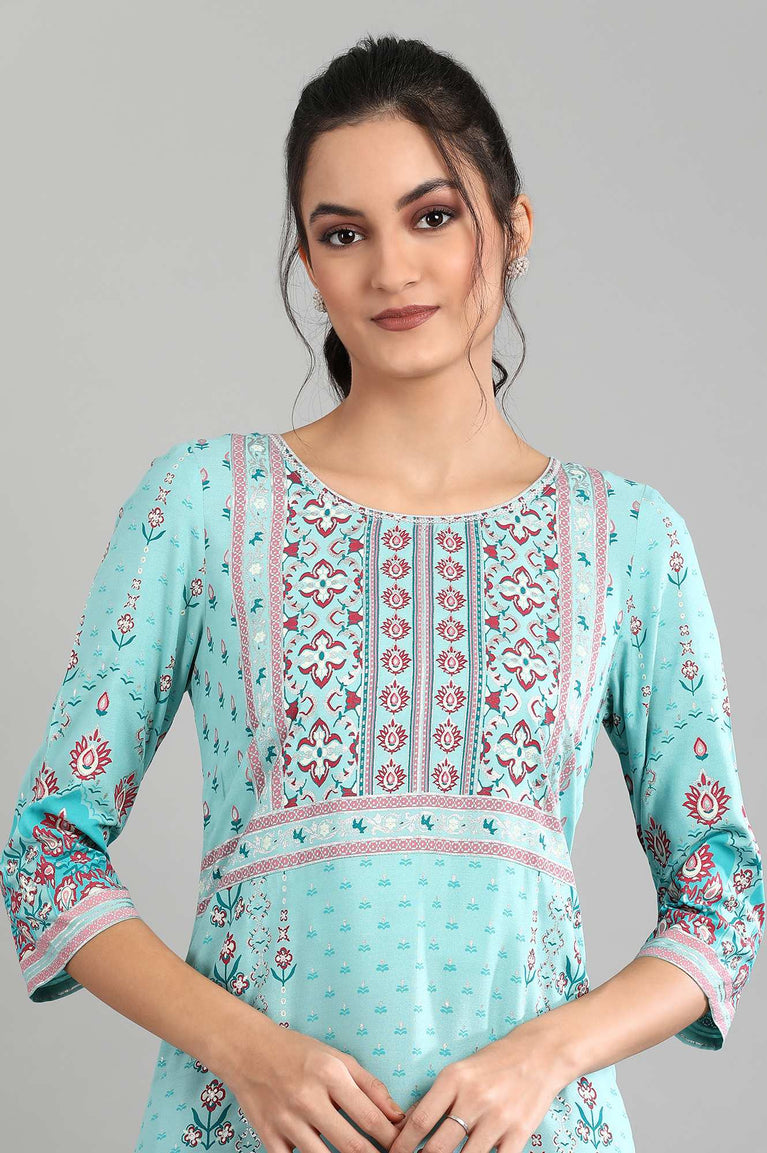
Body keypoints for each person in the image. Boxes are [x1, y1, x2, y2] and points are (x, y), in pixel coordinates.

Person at [2, 33, 763, 1153]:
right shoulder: (203, 506)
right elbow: (46, 855)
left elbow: (723, 900)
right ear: (308, 265)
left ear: (512, 228)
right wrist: (248, 1051)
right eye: (342, 233)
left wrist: (543, 1058)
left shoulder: (625, 540)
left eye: (432, 217)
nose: (390, 270)